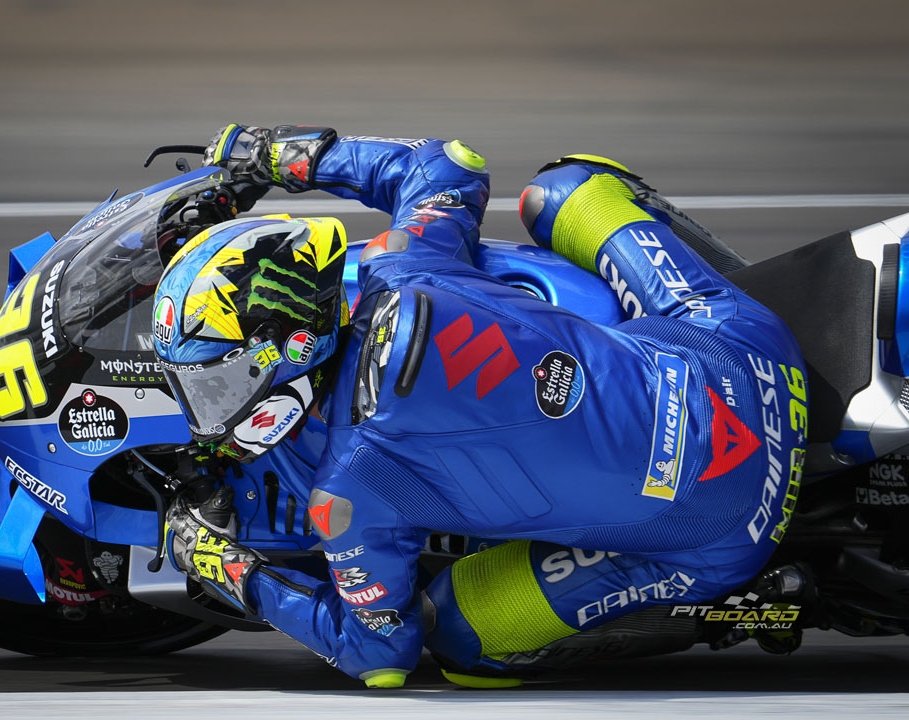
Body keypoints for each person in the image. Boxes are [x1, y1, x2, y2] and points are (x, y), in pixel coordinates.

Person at [153, 125, 808, 688]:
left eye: (217, 385)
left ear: (292, 349)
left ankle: (736, 604)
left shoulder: (349, 492)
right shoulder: (408, 263)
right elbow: (451, 162)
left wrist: (227, 568)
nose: (207, 410)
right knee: (564, 189)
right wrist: (281, 154)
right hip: (747, 351)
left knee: (456, 636)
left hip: (731, 531)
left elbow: (379, 657)